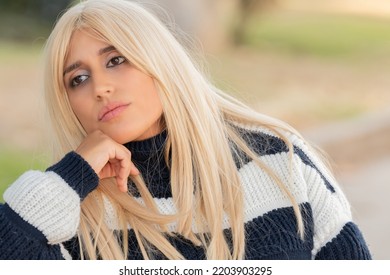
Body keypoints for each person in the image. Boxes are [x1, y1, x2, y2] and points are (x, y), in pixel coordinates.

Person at [0, 0, 372, 260]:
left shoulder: (278, 159)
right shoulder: (73, 211)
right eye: (78, 79)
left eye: (116, 59)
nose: (100, 87)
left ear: (158, 59)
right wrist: (69, 176)